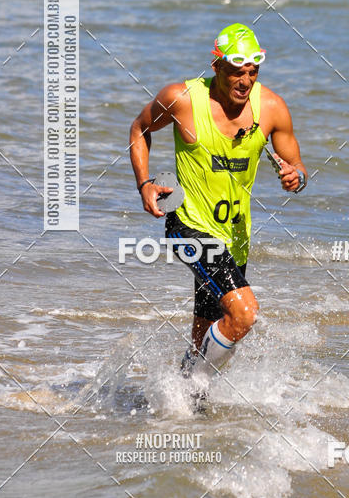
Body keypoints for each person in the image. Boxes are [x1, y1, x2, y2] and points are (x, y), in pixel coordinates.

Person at [129, 23, 307, 400]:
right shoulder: (183, 99)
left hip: (235, 238)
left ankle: (184, 402)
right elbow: (139, 129)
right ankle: (192, 385)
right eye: (237, 72)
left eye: (253, 72)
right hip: (189, 226)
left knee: (209, 327)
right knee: (244, 314)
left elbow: (298, 166)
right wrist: (144, 183)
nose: (246, 81)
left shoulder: (272, 108)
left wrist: (296, 177)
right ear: (217, 68)